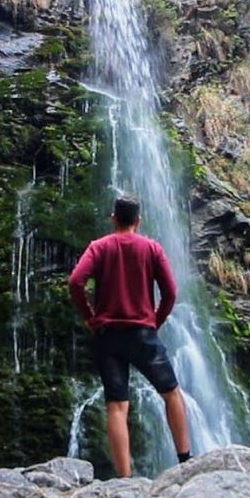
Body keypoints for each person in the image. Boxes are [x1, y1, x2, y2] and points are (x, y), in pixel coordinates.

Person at [68, 196, 192, 477]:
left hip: (108, 336)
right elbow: (170, 292)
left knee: (116, 405)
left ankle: (125, 478)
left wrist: (89, 316)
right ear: (138, 220)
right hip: (142, 335)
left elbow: (75, 282)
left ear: (113, 218)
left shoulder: (99, 247)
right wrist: (156, 321)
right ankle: (185, 460)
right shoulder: (151, 248)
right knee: (171, 393)